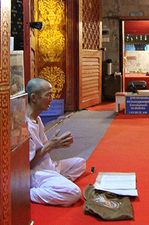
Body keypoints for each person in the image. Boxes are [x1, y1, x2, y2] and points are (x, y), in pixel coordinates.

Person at [26, 78, 86, 206]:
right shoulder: (25, 126)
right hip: (36, 173)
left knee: (81, 163)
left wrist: (56, 144)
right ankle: (29, 193)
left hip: (48, 165)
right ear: (34, 97)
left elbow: (44, 148)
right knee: (74, 193)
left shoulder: (37, 119)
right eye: (48, 95)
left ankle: (56, 181)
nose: (52, 99)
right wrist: (51, 145)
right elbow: (27, 165)